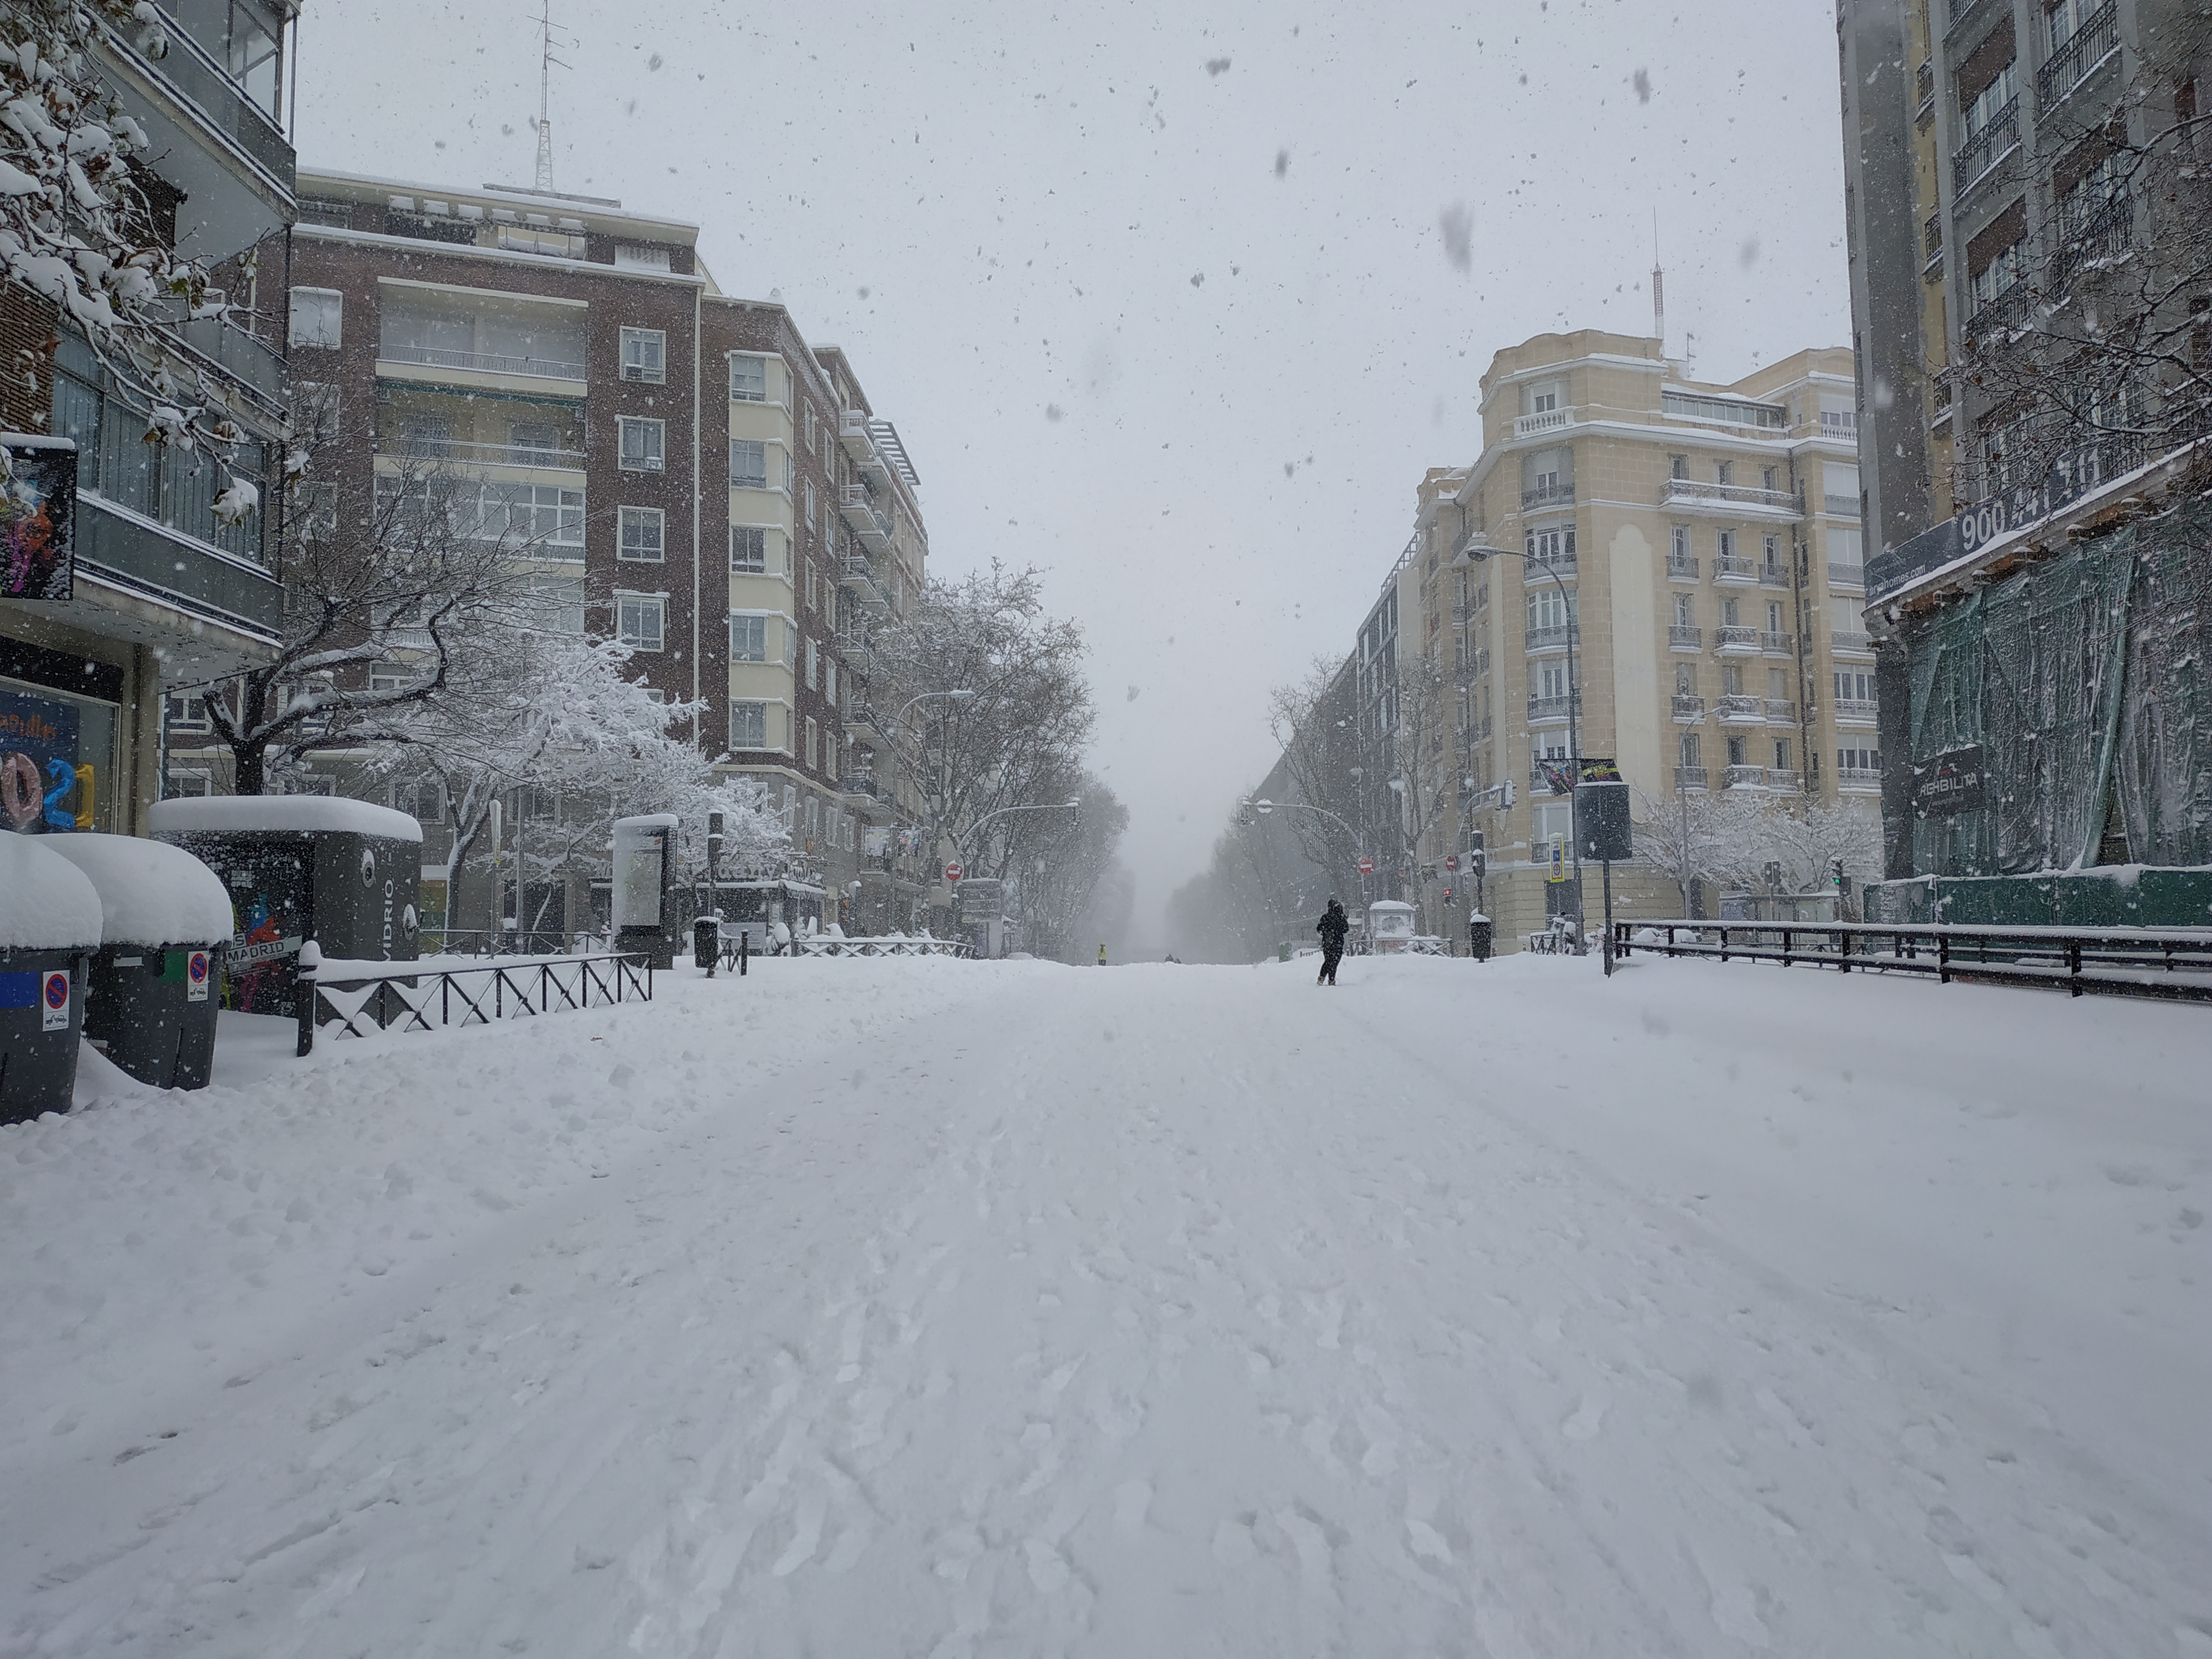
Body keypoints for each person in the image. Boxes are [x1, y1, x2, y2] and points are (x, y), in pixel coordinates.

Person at [1315, 897, 1349, 985]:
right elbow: (1346, 929)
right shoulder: (1341, 917)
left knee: (1329, 961)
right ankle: (1331, 981)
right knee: (1334, 962)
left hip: (1328, 943)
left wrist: (1326, 931)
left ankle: (1323, 979)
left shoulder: (1326, 917)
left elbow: (1319, 928)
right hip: (1337, 943)